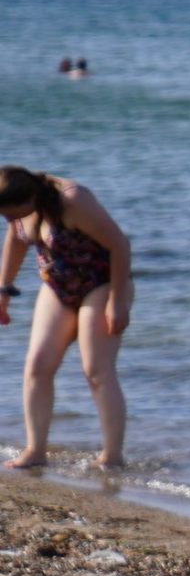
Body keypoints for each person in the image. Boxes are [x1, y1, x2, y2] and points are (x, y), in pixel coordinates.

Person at [1, 167, 134, 470]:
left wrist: (117, 301)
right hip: (57, 286)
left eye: (10, 213)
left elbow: (119, 245)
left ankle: (112, 457)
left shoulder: (73, 201)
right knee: (37, 365)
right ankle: (35, 451)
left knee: (96, 370)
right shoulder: (21, 211)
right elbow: (17, 239)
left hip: (102, 284)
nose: (8, 220)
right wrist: (4, 290)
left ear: (30, 197)